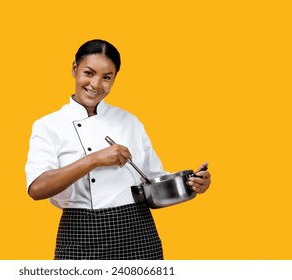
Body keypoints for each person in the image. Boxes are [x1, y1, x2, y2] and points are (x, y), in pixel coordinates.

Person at [25, 39, 211, 260]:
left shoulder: (129, 121)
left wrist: (191, 184)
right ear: (74, 69)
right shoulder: (48, 125)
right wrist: (94, 159)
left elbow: (153, 181)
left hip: (138, 232)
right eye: (89, 73)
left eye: (106, 77)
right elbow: (37, 189)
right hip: (80, 233)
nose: (96, 84)